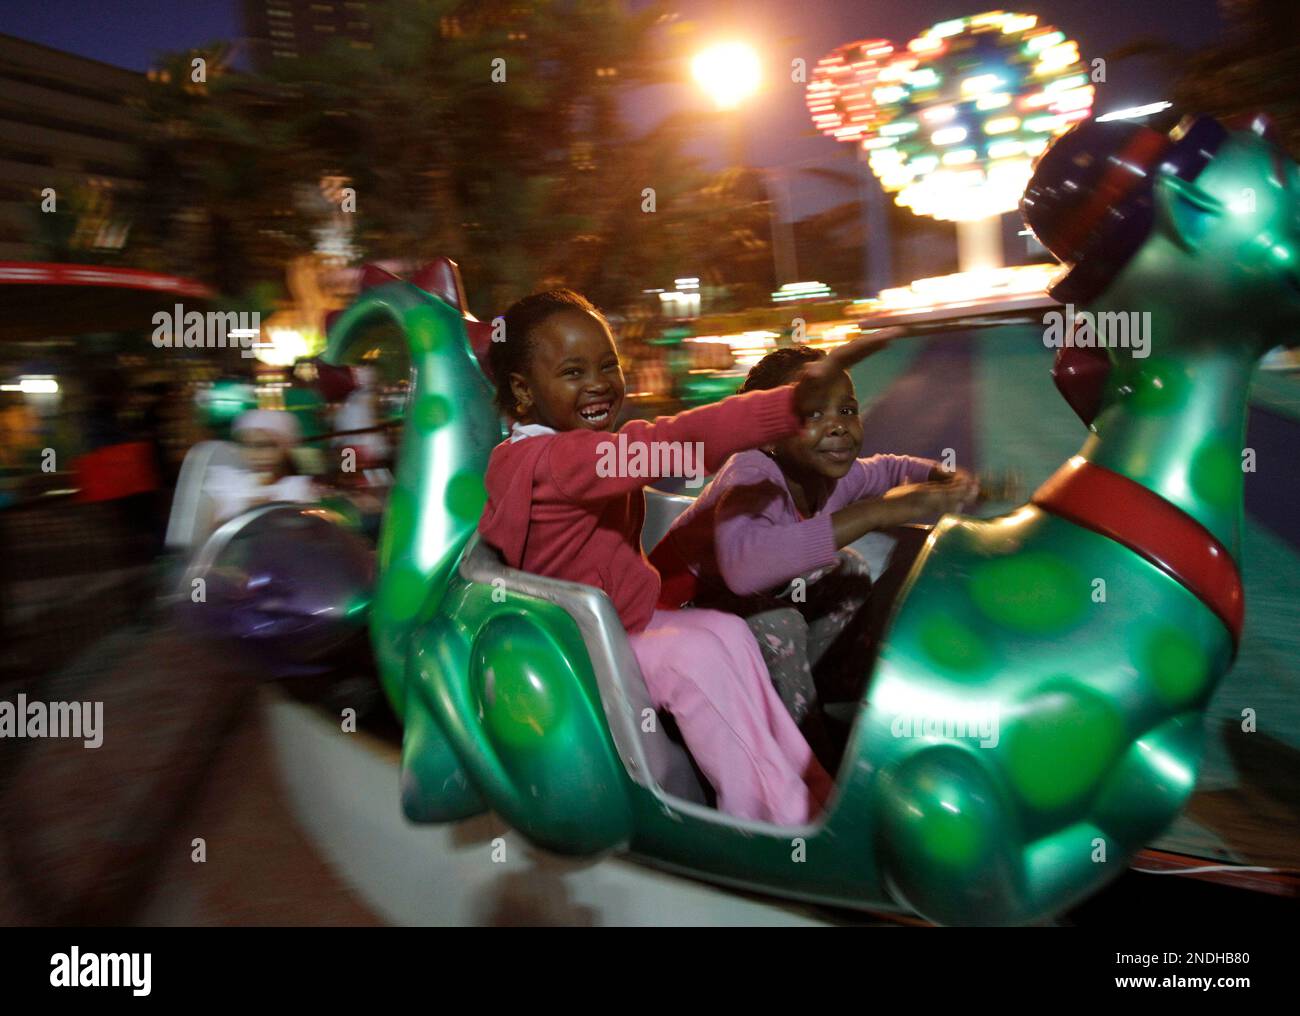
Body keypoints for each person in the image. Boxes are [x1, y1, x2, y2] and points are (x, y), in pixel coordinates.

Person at [477, 290, 897, 826]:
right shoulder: (561, 459)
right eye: (573, 372)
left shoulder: (570, 451)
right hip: (583, 644)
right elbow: (679, 442)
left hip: (623, 622)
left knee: (729, 634)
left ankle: (812, 787)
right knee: (700, 661)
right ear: (523, 390)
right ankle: (767, 818)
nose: (599, 383)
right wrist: (787, 406)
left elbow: (658, 447)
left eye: (608, 365)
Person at [649, 345, 978, 767]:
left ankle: (818, 698)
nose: (838, 428)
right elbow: (744, 570)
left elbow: (889, 467)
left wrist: (940, 475)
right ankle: (804, 764)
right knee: (780, 624)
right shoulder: (749, 476)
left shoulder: (824, 471)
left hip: (738, 603)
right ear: (765, 433)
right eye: (813, 415)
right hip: (677, 610)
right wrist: (880, 511)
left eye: (847, 410)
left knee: (852, 570)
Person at [205, 409, 319, 525]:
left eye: (269, 445)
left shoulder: (298, 488)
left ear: (287, 447)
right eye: (248, 446)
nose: (259, 455)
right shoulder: (225, 482)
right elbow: (210, 532)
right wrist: (247, 510)